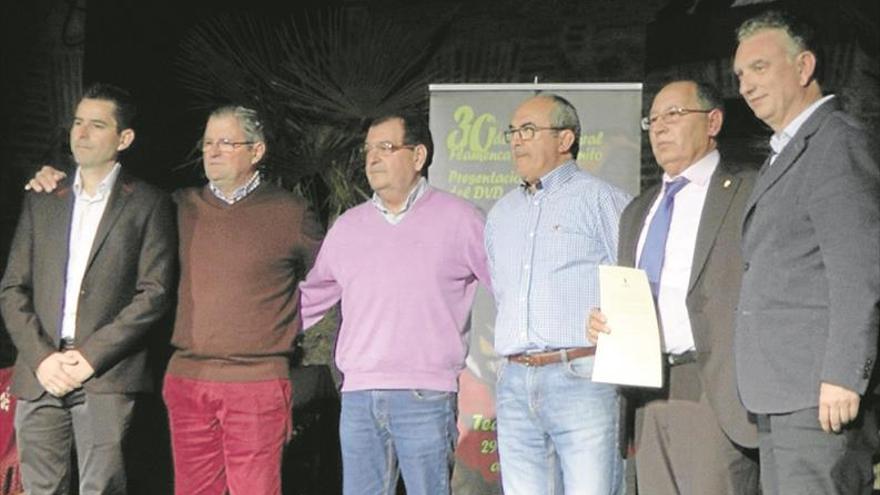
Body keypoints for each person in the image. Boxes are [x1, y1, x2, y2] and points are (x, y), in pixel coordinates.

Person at [24, 105, 323, 495]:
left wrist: (294, 326)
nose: (213, 152)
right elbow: (111, 202)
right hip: (187, 378)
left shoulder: (291, 213)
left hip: (256, 380)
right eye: (208, 143)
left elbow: (330, 283)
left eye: (226, 143)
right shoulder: (178, 205)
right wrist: (53, 177)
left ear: (257, 151)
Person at [299, 113, 491, 495]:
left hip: (425, 393)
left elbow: (507, 285)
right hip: (358, 397)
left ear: (418, 156)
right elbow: (311, 298)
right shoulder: (348, 227)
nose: (372, 159)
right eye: (368, 150)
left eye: (385, 148)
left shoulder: (460, 218)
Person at [0, 83, 176, 494]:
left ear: (124, 138)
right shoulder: (44, 197)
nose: (81, 133)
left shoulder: (148, 203)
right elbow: (12, 288)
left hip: (105, 373)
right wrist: (43, 358)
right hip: (41, 370)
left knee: (101, 487)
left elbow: (155, 292)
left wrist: (89, 357)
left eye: (97, 125)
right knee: (40, 488)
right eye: (78, 123)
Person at [732, 10, 880, 494]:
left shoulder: (836, 142)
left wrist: (843, 375)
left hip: (819, 394)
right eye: (739, 76)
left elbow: (859, 271)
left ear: (804, 67)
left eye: (759, 68)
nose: (747, 85)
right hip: (780, 390)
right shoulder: (785, 151)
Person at [588, 80, 759, 494]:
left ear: (713, 121)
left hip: (712, 387)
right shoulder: (638, 209)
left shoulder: (747, 190)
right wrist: (604, 323)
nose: (660, 128)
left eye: (675, 115)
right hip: (646, 392)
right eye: (654, 119)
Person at [485, 93, 631, 494]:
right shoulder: (501, 214)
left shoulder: (602, 200)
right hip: (516, 379)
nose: (517, 140)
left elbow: (633, 281)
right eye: (512, 132)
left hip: (581, 376)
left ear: (565, 139)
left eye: (528, 130)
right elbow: (502, 291)